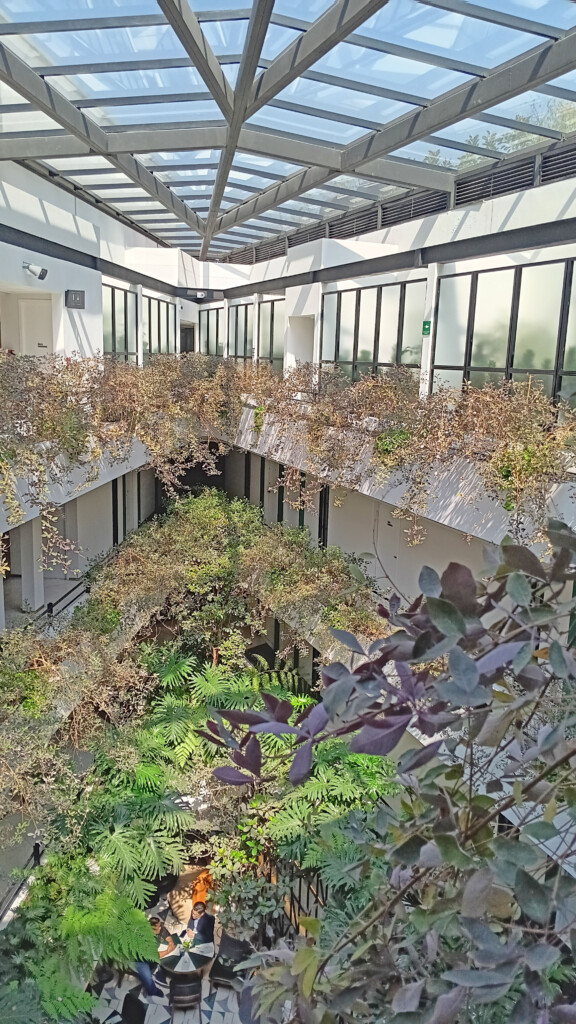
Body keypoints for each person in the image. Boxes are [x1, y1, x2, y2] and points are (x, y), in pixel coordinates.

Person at [134, 917, 176, 997]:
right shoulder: (143, 939)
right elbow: (154, 956)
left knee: (164, 960)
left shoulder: (158, 927)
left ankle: (160, 973)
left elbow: (165, 932)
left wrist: (170, 942)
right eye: (158, 927)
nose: (160, 927)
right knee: (147, 978)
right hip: (139, 959)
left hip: (152, 952)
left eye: (160, 925)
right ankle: (152, 991)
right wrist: (167, 951)